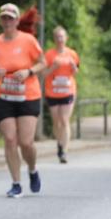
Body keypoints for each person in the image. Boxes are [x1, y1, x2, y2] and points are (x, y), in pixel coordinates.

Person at [0, 3, 45, 197]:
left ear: (17, 20)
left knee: (26, 142)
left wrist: (28, 71)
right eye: (4, 18)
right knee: (10, 139)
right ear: (0, 20)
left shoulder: (28, 40)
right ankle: (16, 183)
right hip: (4, 96)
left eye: (11, 18)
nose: (7, 21)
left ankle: (33, 169)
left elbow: (43, 62)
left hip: (28, 95)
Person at [43, 25, 79, 163]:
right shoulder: (49, 55)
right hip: (52, 92)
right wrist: (53, 67)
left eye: (62, 36)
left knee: (64, 120)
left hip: (68, 90)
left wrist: (73, 67)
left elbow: (76, 73)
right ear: (54, 39)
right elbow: (43, 74)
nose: (60, 39)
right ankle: (59, 143)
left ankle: (64, 151)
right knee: (56, 122)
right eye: (57, 37)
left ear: (66, 38)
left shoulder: (72, 54)